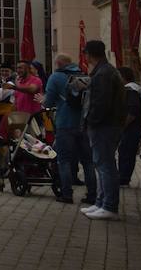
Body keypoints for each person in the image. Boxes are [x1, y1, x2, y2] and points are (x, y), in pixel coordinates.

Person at [81, 40, 126, 220]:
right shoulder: (106, 71)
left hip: (104, 126)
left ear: (89, 54)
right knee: (102, 164)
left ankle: (109, 205)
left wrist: (91, 121)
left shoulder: (102, 74)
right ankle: (101, 202)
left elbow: (100, 103)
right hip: (109, 124)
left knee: (105, 165)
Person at [43, 52, 95, 205]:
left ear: (58, 64)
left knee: (64, 160)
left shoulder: (56, 77)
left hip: (65, 123)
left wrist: (44, 102)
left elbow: (48, 102)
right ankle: (92, 195)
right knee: (88, 161)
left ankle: (67, 194)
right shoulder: (84, 75)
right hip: (84, 124)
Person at [119, 67, 141, 187]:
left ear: (123, 77)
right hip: (135, 126)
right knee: (126, 151)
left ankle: (124, 179)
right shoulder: (135, 88)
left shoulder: (130, 90)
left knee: (126, 152)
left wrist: (123, 125)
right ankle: (123, 177)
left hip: (132, 127)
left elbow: (132, 111)